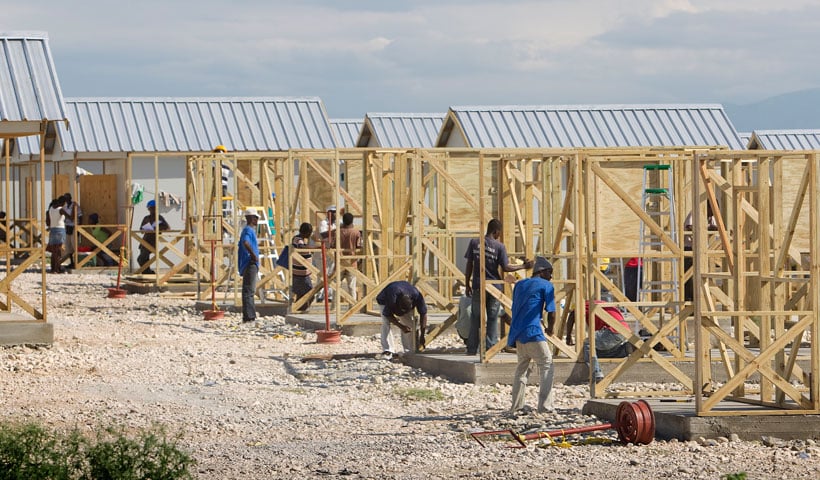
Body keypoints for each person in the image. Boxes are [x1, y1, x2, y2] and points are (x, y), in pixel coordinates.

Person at [464, 218, 532, 354]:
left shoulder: (474, 243)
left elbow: (469, 265)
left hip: (478, 285)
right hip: (494, 287)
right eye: (499, 233)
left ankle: (471, 349)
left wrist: (467, 284)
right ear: (496, 231)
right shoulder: (499, 246)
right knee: (493, 318)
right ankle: (491, 349)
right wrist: (524, 266)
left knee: (475, 317)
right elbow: (506, 267)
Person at [506, 256, 556, 414]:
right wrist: (550, 329)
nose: (551, 276)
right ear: (542, 271)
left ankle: (516, 406)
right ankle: (545, 407)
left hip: (518, 334)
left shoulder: (520, 284)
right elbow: (552, 311)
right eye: (550, 272)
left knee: (522, 369)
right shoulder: (546, 285)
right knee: (547, 364)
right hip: (534, 332)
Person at [566, 300, 632, 382]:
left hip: (612, 330)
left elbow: (572, 315)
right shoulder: (597, 304)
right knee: (596, 351)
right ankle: (624, 350)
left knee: (589, 344)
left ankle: (596, 374)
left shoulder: (583, 306)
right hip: (624, 331)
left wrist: (568, 336)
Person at [376, 280, 428, 360]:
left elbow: (423, 314)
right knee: (386, 322)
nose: (401, 314)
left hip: (403, 297)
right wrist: (401, 326)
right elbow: (387, 315)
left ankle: (409, 350)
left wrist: (422, 336)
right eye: (400, 311)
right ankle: (388, 350)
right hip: (384, 300)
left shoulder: (417, 296)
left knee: (410, 324)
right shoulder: (392, 298)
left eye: (405, 311)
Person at [331, 212, 362, 302]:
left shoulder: (337, 232)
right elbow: (359, 246)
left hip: (339, 262)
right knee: (351, 287)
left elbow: (333, 245)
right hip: (352, 263)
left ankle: (334, 306)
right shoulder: (356, 232)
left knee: (336, 286)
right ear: (352, 221)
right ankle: (353, 306)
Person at [238, 209, 260, 323]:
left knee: (248, 291)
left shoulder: (248, 230)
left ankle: (249, 316)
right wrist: (253, 255)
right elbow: (245, 242)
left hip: (249, 263)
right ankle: (249, 317)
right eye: (256, 218)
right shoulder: (248, 230)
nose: (257, 220)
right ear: (251, 218)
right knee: (249, 291)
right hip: (250, 263)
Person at [137, 199, 170, 274]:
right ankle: (147, 272)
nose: (152, 210)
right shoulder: (146, 218)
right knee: (142, 259)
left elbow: (167, 228)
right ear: (148, 209)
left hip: (153, 240)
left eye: (154, 208)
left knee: (142, 258)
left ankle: (147, 272)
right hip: (145, 240)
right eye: (151, 208)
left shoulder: (159, 218)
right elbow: (141, 229)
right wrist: (146, 229)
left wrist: (156, 228)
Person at [291, 222, 314, 311]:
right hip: (300, 273)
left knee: (301, 295)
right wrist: (313, 248)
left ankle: (297, 310)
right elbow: (301, 248)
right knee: (310, 294)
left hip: (301, 272)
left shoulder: (299, 239)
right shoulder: (298, 239)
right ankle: (299, 310)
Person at [45, 196, 68, 274]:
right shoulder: (61, 210)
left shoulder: (50, 209)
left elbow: (48, 222)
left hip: (53, 229)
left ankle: (53, 268)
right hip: (60, 230)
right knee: (58, 251)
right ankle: (57, 268)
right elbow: (70, 217)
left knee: (54, 251)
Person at [61, 192, 83, 270]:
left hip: (74, 226)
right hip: (68, 227)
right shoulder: (65, 206)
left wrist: (79, 228)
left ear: (70, 198)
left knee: (75, 246)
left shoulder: (75, 206)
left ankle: (77, 262)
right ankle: (72, 262)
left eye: (67, 198)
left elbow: (78, 216)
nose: (66, 200)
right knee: (69, 246)